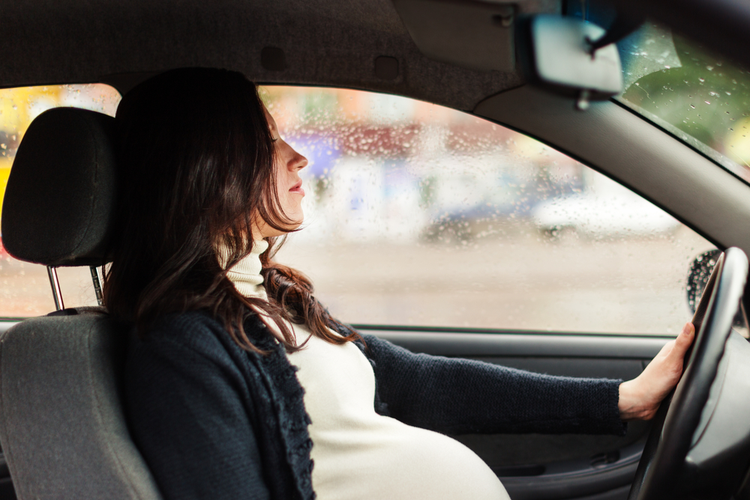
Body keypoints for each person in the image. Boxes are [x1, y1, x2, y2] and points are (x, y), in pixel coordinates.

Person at [105, 68, 694, 500]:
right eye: (264, 141)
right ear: (204, 169)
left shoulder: (265, 296)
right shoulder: (182, 346)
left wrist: (622, 399)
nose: (297, 157)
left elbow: (415, 381)